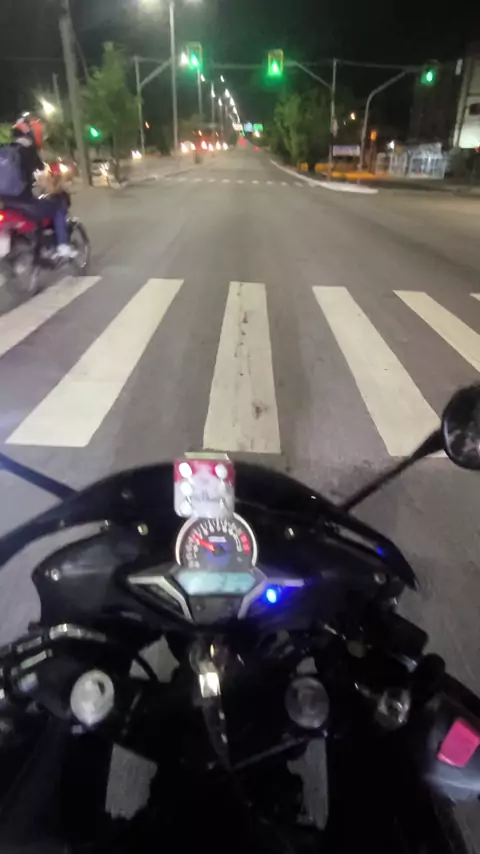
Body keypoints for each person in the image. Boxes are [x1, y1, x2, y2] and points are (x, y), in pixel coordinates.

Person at [5, 117, 74, 260]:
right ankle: (63, 246)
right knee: (58, 205)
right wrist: (54, 188)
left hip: (5, 204)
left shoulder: (5, 151)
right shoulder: (29, 151)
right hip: (24, 204)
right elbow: (43, 177)